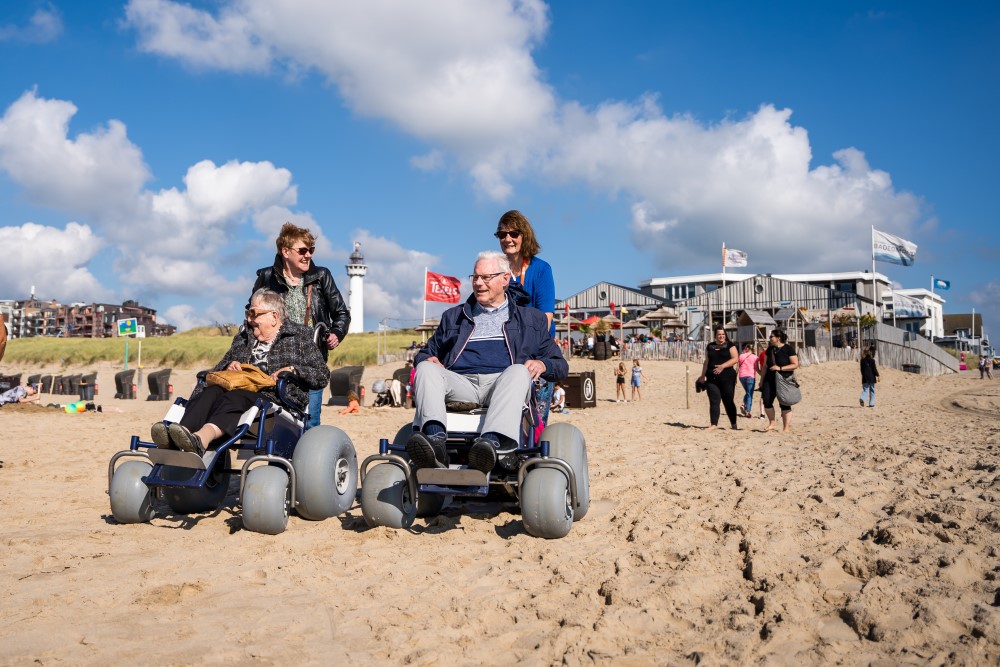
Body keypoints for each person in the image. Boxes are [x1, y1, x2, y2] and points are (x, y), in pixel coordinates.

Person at [408, 251, 568, 473]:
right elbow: (425, 353)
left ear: (505, 279)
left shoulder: (530, 319)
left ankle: (490, 444)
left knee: (519, 371)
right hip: (462, 384)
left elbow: (560, 365)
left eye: (486, 277)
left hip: (502, 384)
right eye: (475, 277)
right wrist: (427, 358)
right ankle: (435, 442)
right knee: (425, 368)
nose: (479, 283)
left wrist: (543, 365)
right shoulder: (453, 317)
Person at [153, 288, 329, 455]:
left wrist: (293, 369)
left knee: (236, 396)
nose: (249, 319)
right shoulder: (244, 338)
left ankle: (201, 439)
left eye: (254, 313)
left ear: (274, 316)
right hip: (239, 392)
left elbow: (322, 374)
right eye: (248, 313)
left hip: (277, 398)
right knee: (212, 391)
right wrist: (229, 366)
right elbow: (218, 370)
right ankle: (181, 434)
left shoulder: (299, 338)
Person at [251, 222, 351, 429]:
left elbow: (341, 313)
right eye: (303, 250)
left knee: (310, 420)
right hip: (274, 358)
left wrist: (336, 332)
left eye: (311, 250)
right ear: (285, 251)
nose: (308, 255)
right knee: (276, 418)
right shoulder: (267, 277)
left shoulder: (322, 276)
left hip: (310, 359)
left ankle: (307, 460)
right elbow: (253, 314)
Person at [495, 210, 556, 336]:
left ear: (525, 236)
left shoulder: (541, 269)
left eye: (514, 234)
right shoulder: (494, 270)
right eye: (502, 235)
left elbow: (546, 319)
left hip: (536, 341)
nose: (507, 239)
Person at [698, 327, 739, 430]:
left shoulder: (730, 345)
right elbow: (706, 361)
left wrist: (722, 366)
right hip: (711, 378)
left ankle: (733, 424)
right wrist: (702, 375)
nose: (721, 336)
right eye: (719, 334)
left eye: (723, 334)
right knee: (714, 400)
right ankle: (713, 424)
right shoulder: (710, 346)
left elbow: (735, 359)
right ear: (715, 335)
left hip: (727, 377)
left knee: (728, 401)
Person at [760, 328, 799, 433]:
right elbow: (764, 366)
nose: (770, 338)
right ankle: (772, 423)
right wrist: (761, 380)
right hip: (769, 379)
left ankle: (786, 427)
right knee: (766, 401)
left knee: (785, 403)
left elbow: (795, 364)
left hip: (784, 379)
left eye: (771, 336)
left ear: (778, 338)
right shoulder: (769, 349)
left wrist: (780, 368)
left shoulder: (788, 349)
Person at [737, 343, 757, 417]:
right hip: (750, 376)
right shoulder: (755, 357)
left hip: (741, 376)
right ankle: (747, 411)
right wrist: (762, 374)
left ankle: (743, 405)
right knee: (749, 394)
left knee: (748, 392)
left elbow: (737, 367)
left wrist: (735, 377)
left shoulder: (741, 356)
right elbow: (757, 368)